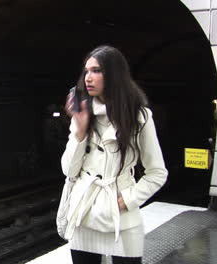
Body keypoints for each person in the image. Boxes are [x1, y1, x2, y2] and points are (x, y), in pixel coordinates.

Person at [61, 45, 167, 264]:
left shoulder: (139, 117)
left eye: (96, 71)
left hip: (121, 218)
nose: (88, 78)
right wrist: (80, 132)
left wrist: (126, 200)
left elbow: (157, 172)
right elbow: (68, 171)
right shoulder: (82, 114)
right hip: (84, 215)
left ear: (114, 75)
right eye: (86, 71)